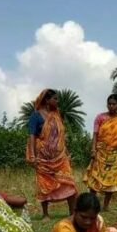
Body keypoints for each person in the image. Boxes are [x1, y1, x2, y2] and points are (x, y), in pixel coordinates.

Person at [26, 89, 78, 220]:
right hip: (43, 157)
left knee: (69, 181)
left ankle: (72, 212)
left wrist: (67, 153)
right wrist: (32, 155)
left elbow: (61, 137)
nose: (57, 101)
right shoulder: (36, 116)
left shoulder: (57, 115)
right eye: (55, 99)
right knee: (44, 184)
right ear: (47, 100)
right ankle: (45, 214)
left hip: (60, 157)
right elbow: (32, 136)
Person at [83, 94, 117, 211]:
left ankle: (106, 206)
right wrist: (93, 149)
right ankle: (92, 205)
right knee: (95, 178)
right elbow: (95, 135)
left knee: (112, 181)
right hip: (101, 153)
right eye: (109, 104)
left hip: (115, 155)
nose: (111, 106)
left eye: (114, 104)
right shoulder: (100, 118)